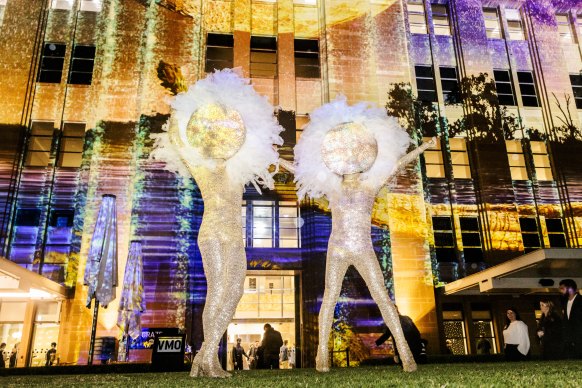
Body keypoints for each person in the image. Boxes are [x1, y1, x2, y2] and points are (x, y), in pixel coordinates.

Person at [284, 97, 435, 373]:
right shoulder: (333, 187)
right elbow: (300, 171)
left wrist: (424, 147)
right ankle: (321, 358)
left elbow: (399, 165)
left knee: (383, 299)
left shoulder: (370, 184)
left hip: (363, 248)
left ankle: (406, 355)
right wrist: (279, 161)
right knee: (329, 298)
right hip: (338, 248)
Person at [153, 69, 283, 378]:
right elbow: (181, 144)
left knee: (225, 292)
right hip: (218, 234)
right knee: (227, 290)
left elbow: (263, 150)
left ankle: (206, 358)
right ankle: (206, 355)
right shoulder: (205, 167)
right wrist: (180, 110)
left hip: (219, 234)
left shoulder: (231, 169)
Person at [559, 279, 582, 358]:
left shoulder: (580, 301)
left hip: (579, 338)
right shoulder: (565, 303)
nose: (561, 291)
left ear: (570, 289)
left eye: (562, 288)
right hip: (569, 340)